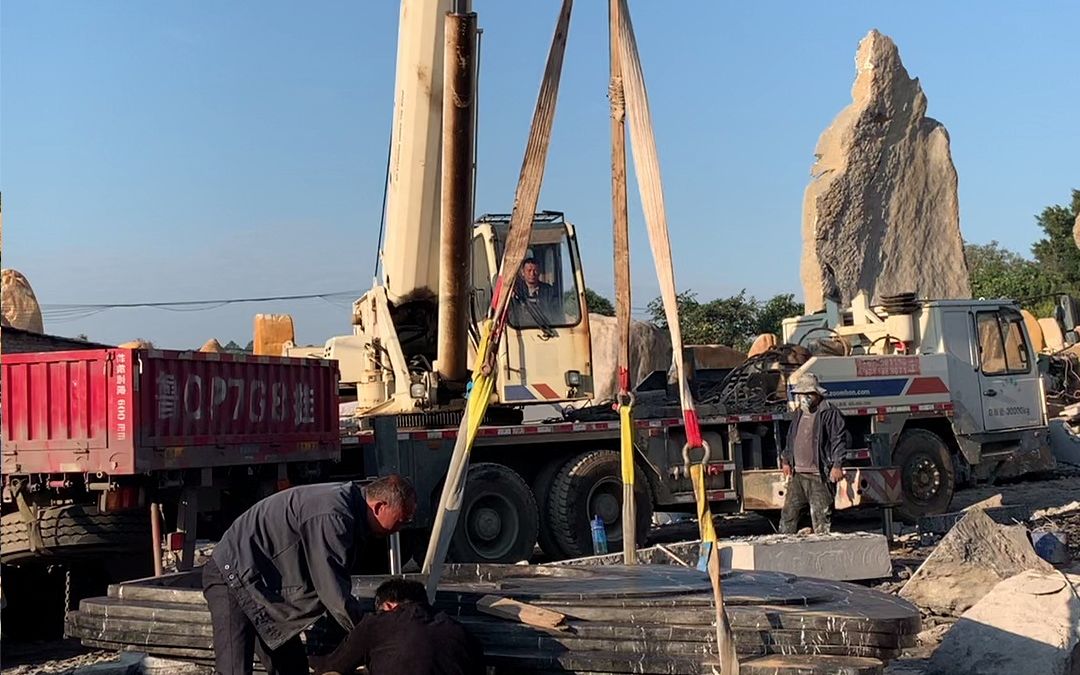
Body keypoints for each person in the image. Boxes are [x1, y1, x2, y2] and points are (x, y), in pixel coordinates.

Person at [203, 475, 417, 675]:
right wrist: (373, 635)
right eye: (401, 520)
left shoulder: (348, 511)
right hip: (232, 576)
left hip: (264, 588)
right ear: (380, 506)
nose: (400, 528)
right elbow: (332, 591)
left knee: (293, 668)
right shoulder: (334, 516)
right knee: (234, 669)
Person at [309, 578, 484, 675]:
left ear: (389, 606)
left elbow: (333, 665)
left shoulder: (377, 623)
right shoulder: (463, 634)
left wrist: (305, 659)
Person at [778, 372, 847, 535]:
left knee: (821, 516)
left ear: (816, 394)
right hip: (798, 475)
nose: (804, 397)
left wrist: (837, 465)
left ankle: (821, 550)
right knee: (788, 514)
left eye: (808, 393)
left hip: (819, 475)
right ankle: (784, 546)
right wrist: (786, 459)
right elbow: (791, 438)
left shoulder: (829, 413)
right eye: (801, 393)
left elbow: (838, 440)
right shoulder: (799, 413)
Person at [512, 257, 561, 324]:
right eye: (529, 270)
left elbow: (555, 314)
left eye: (535, 270)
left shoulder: (549, 291)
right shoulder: (516, 291)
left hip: (546, 328)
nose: (532, 274)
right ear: (523, 272)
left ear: (539, 272)